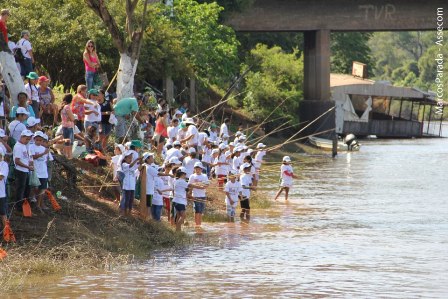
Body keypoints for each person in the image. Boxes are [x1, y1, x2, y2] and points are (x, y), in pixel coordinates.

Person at [172, 166, 205, 231]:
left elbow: (183, 191)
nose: (185, 175)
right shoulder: (182, 181)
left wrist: (191, 197)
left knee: (178, 215)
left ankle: (177, 230)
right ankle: (178, 230)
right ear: (183, 174)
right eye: (185, 174)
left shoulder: (176, 181)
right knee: (183, 216)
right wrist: (201, 187)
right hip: (180, 201)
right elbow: (190, 185)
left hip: (176, 201)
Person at [13, 129, 34, 214]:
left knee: (26, 189)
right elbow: (17, 161)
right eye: (27, 139)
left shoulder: (23, 145)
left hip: (25, 170)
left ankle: (24, 206)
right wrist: (27, 166)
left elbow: (25, 158)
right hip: (20, 170)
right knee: (20, 189)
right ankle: (18, 207)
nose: (28, 140)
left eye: (29, 139)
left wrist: (29, 164)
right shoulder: (18, 146)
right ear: (22, 137)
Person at [29, 131, 49, 213]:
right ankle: (33, 200)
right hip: (35, 171)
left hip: (43, 171)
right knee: (35, 187)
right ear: (34, 139)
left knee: (43, 189)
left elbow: (46, 160)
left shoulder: (44, 148)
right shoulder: (31, 147)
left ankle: (38, 204)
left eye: (40, 140)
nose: (39, 141)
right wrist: (43, 153)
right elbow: (33, 157)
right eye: (37, 140)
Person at [120, 151, 141, 216]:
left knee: (131, 199)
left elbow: (136, 169)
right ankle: (124, 211)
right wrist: (136, 160)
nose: (130, 159)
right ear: (125, 158)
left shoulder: (132, 166)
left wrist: (141, 161)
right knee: (126, 199)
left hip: (132, 186)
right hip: (126, 186)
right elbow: (131, 165)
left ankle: (129, 211)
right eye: (129, 158)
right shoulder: (124, 164)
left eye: (131, 158)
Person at [189, 162, 209, 226]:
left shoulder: (204, 176)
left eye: (198, 168)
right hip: (195, 195)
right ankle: (196, 224)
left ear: (201, 169)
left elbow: (207, 185)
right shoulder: (192, 176)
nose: (197, 170)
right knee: (197, 210)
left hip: (203, 195)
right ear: (194, 169)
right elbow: (189, 185)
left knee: (201, 211)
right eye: (196, 168)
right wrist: (197, 187)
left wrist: (202, 187)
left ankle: (199, 224)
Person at [60, 94, 75, 159]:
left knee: (66, 142)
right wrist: (73, 117)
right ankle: (69, 157)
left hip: (64, 125)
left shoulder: (63, 107)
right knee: (70, 143)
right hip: (69, 127)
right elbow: (72, 118)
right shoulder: (67, 107)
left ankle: (66, 157)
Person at [0, 147, 9, 229]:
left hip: (1, 194)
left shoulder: (4, 164)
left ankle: (7, 232)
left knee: (3, 213)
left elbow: (1, 176)